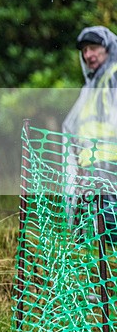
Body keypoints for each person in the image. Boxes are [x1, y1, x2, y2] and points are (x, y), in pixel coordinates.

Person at [62, 25, 117, 235]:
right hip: (92, 171)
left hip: (111, 169)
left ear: (108, 48)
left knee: (110, 234)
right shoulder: (92, 86)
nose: (88, 55)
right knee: (102, 238)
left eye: (93, 48)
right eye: (84, 50)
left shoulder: (113, 77)